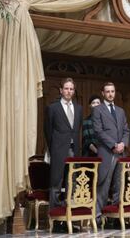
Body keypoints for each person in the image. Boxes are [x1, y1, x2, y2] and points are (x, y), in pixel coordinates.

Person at [92, 82, 129, 225]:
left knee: (119, 185)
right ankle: (98, 216)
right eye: (107, 91)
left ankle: (115, 217)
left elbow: (126, 130)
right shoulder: (98, 110)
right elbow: (98, 131)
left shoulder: (120, 111)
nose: (110, 94)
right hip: (106, 152)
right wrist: (113, 145)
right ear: (103, 93)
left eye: (112, 91)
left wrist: (123, 144)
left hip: (121, 153)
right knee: (103, 185)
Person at [43, 77, 83, 209]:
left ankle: (70, 212)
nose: (69, 91)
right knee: (56, 182)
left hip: (74, 149)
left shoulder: (79, 109)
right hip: (58, 149)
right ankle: (55, 215)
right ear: (61, 90)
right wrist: (53, 147)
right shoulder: (52, 108)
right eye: (66, 88)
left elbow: (78, 130)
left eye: (71, 89)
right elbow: (48, 130)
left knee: (72, 180)